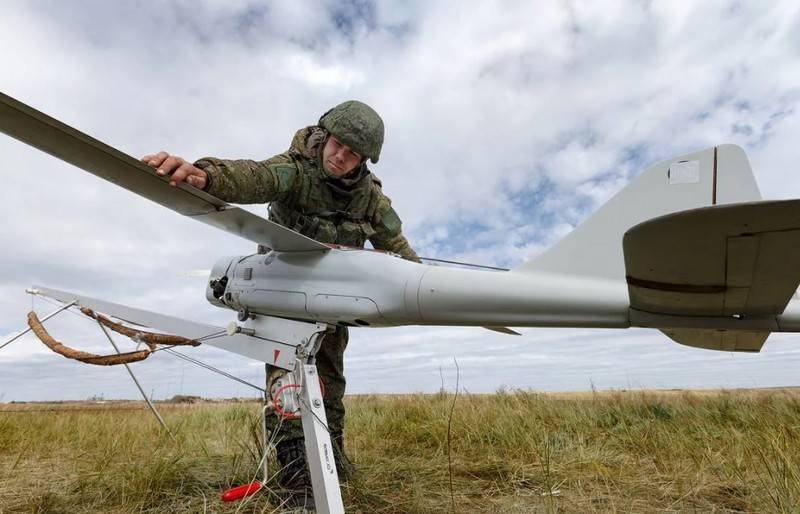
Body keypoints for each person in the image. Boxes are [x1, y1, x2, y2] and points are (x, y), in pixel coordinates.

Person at [142, 100, 419, 511]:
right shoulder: (297, 170)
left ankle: (331, 461)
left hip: (328, 306)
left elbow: (403, 257)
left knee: (331, 386)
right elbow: (256, 177)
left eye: (352, 153)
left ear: (364, 159)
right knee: (288, 387)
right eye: (338, 144)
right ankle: (294, 477)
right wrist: (205, 176)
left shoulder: (372, 201)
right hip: (284, 301)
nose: (340, 157)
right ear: (326, 136)